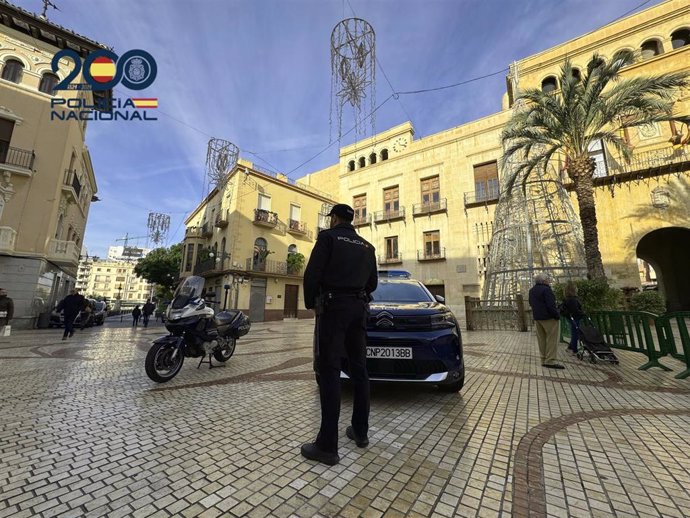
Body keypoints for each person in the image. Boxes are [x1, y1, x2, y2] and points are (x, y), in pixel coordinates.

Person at [301, 203, 378, 466]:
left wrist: (312, 303)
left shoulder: (327, 238)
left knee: (329, 370)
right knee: (360, 370)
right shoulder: (368, 247)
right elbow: (373, 284)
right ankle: (360, 431)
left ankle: (327, 446)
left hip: (333, 309)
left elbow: (312, 274)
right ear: (351, 220)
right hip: (359, 309)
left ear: (333, 218)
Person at [528, 273, 564, 369]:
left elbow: (531, 303)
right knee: (552, 339)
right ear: (544, 281)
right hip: (549, 318)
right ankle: (550, 360)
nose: (549, 281)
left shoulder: (532, 290)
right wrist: (556, 315)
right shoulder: (547, 290)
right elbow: (550, 305)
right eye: (548, 279)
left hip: (537, 318)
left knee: (542, 339)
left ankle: (543, 359)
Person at [562, 281, 584, 354]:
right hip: (575, 318)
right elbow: (575, 310)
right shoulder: (572, 299)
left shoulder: (567, 299)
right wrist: (582, 313)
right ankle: (574, 349)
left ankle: (571, 347)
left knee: (575, 332)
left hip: (571, 318)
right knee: (575, 333)